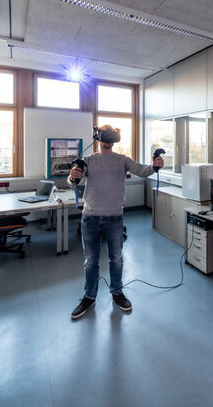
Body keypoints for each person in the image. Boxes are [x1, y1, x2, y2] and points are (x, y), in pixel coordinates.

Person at [68, 125, 164, 320]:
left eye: (112, 136)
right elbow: (72, 182)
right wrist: (72, 176)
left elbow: (142, 170)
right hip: (90, 218)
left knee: (117, 259)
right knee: (91, 262)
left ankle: (117, 293)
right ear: (98, 137)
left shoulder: (122, 160)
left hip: (114, 218)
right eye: (105, 136)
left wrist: (155, 166)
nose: (108, 140)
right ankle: (89, 296)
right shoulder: (88, 161)